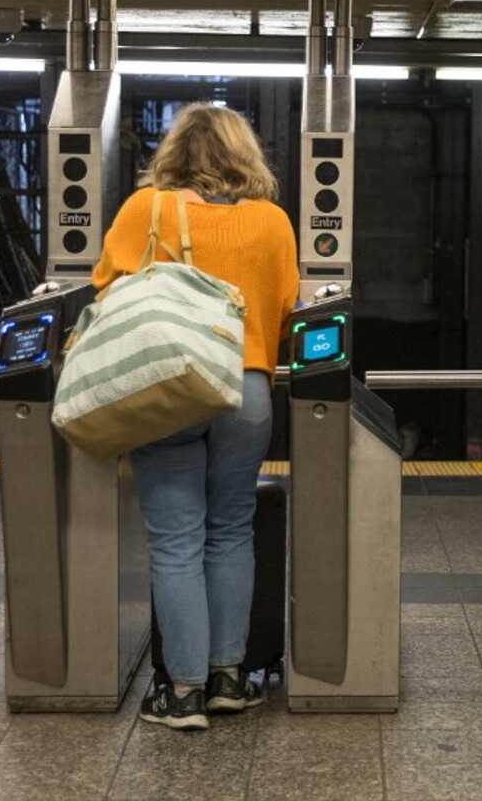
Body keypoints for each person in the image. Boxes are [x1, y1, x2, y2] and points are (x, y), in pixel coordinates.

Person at [93, 104, 299, 731]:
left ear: (174, 152)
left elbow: (107, 289)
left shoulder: (144, 210)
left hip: (170, 387)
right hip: (247, 389)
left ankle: (182, 693)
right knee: (231, 528)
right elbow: (287, 304)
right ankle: (228, 679)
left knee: (176, 538)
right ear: (245, 155)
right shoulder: (271, 222)